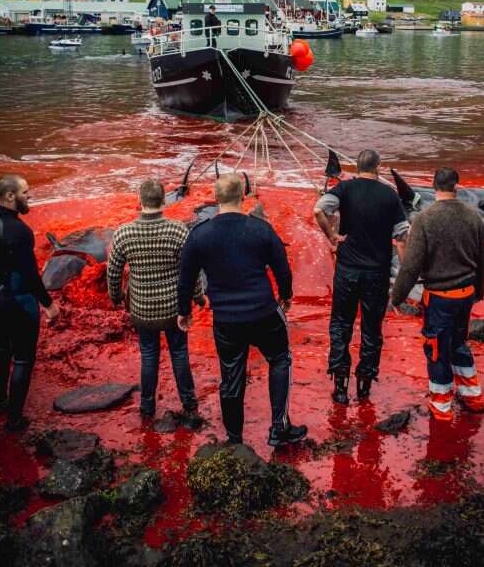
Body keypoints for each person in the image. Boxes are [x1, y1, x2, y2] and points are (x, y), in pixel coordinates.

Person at [177, 172, 306, 447]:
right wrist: (286, 296)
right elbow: (282, 267)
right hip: (263, 310)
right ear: (243, 196)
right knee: (280, 359)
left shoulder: (200, 234)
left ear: (216, 198)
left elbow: (186, 276)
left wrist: (183, 310)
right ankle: (278, 428)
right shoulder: (260, 229)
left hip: (225, 318)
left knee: (231, 375)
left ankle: (234, 438)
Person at [391, 167, 484, 421]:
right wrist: (480, 291)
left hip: (440, 297)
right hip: (466, 293)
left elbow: (411, 265)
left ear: (434, 187)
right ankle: (472, 395)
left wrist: (396, 297)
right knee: (459, 343)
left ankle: (442, 406)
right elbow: (482, 258)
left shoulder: (424, 218)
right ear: (456, 186)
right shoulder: (473, 216)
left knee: (437, 350)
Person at [314, 149, 408, 404]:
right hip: (376, 272)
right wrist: (407, 273)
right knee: (371, 329)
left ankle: (341, 386)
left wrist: (332, 236)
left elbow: (319, 209)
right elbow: (401, 236)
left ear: (356, 167)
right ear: (378, 167)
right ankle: (365, 385)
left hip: (347, 269)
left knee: (341, 325)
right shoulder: (389, 195)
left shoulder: (345, 189)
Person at [107, 178, 202, 418]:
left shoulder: (124, 232)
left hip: (142, 308)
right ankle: (189, 403)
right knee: (179, 353)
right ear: (163, 200)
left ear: (139, 201)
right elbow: (191, 269)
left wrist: (115, 296)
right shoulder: (178, 230)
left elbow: (114, 270)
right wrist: (198, 296)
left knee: (149, 355)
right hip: (173, 308)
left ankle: (147, 406)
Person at [0, 175, 60, 431]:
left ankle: (0, 403)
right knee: (24, 359)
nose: (29, 196)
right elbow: (29, 274)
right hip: (18, 301)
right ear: (10, 196)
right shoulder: (21, 231)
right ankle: (15, 419)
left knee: (3, 350)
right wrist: (48, 304)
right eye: (25, 192)